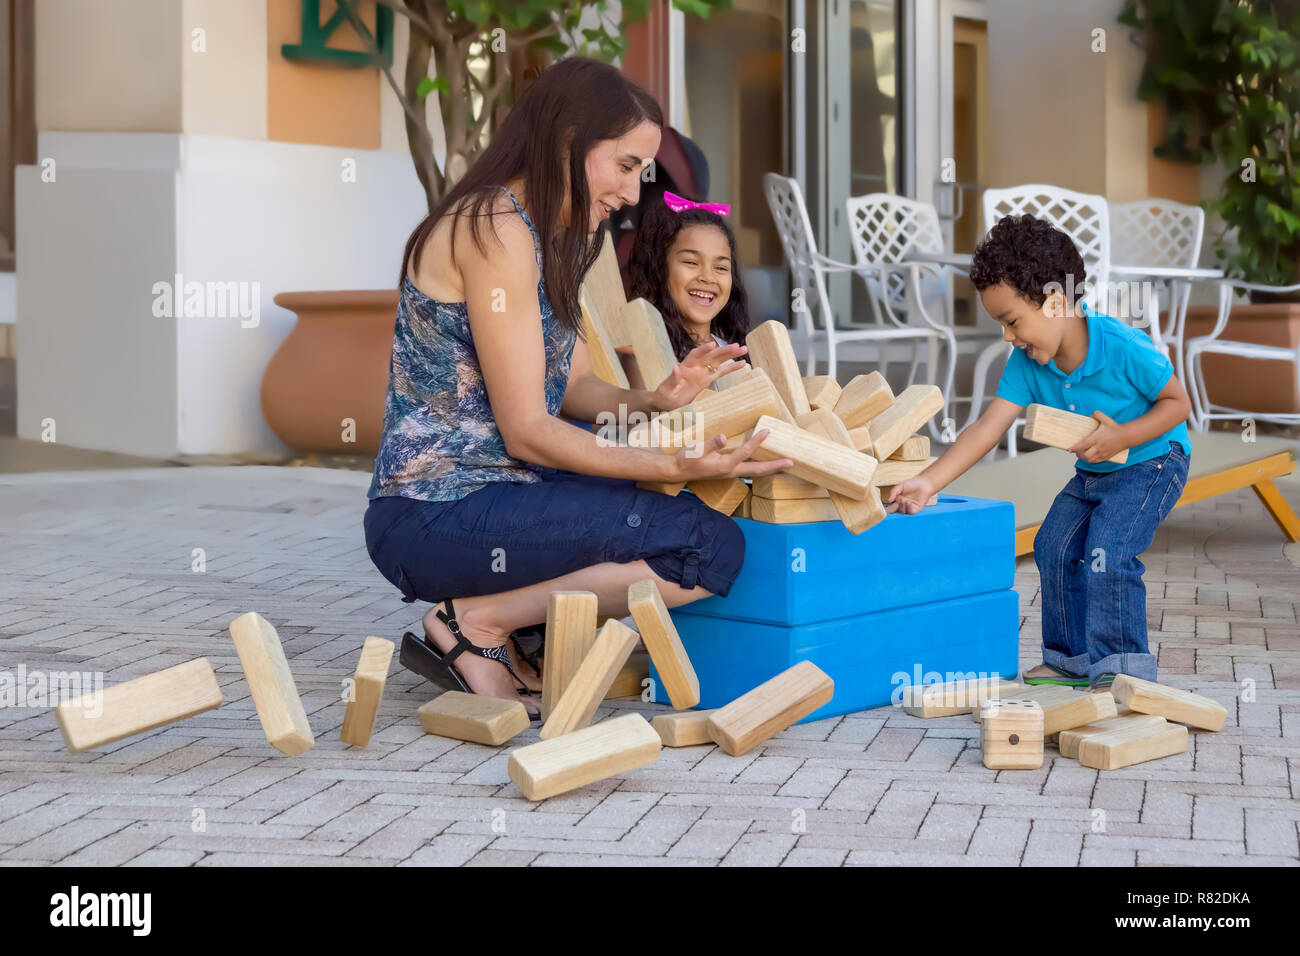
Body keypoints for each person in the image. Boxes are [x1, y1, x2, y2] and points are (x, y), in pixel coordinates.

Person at [362, 58, 791, 719]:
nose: (630, 190)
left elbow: (578, 384)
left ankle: (507, 627)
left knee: (651, 492)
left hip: (496, 498)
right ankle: (477, 625)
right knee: (707, 546)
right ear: (568, 141)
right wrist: (670, 461)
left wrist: (656, 399)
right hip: (432, 510)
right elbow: (529, 428)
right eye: (623, 165)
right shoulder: (495, 229)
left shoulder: (550, 236)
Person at [887, 214, 1193, 694]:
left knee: (1107, 553)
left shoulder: (1121, 345)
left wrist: (1122, 437)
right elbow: (987, 428)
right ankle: (1070, 660)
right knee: (1053, 544)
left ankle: (1123, 670)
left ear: (1053, 302)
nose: (1008, 337)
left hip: (1154, 461)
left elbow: (1179, 404)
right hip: (1096, 471)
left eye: (1012, 322)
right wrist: (928, 482)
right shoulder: (1027, 363)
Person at [620, 193, 751, 388]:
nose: (708, 277)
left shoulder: (735, 354)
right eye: (691, 262)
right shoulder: (644, 355)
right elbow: (648, 417)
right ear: (660, 269)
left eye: (721, 267)